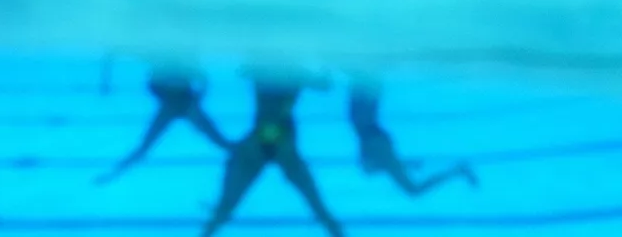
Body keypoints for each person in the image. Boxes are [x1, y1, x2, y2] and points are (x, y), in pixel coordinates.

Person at [200, 71, 344, 237]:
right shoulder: (287, 73)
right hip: (271, 143)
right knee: (317, 205)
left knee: (224, 208)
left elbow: (323, 85)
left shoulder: (286, 72)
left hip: (270, 143)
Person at [94, 65, 231, 185]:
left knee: (219, 141)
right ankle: (114, 173)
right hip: (180, 103)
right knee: (144, 147)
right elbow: (201, 79)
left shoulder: (177, 67)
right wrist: (195, 98)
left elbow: (200, 78)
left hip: (181, 102)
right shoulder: (171, 69)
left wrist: (194, 98)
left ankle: (114, 173)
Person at [349, 75, 478, 196]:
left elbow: (372, 167)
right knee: (362, 117)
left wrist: (405, 164)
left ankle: (457, 171)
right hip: (375, 142)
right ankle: (457, 171)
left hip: (375, 143)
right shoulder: (377, 155)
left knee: (362, 117)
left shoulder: (376, 154)